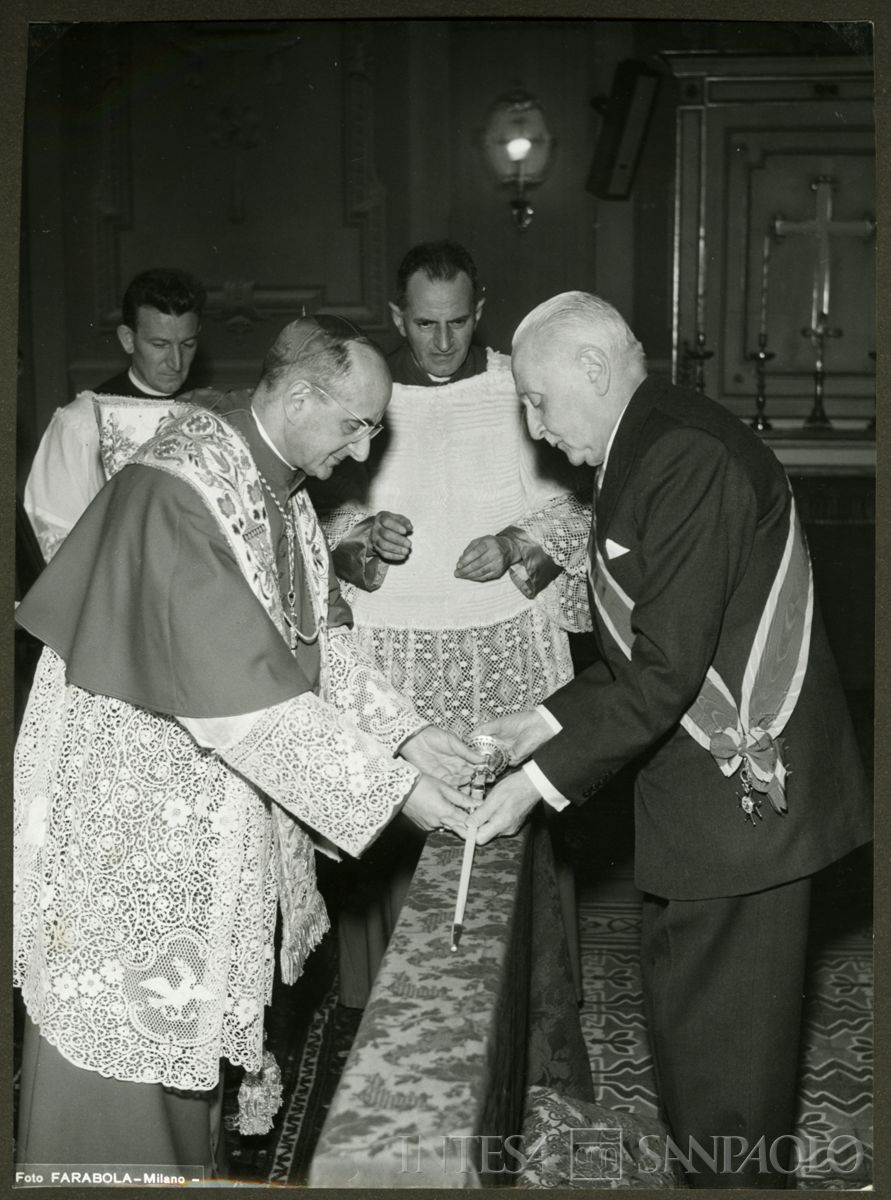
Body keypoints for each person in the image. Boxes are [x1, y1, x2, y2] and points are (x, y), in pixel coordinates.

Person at [13, 315, 481, 1175]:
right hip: (132, 826)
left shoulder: (278, 486)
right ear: (301, 395)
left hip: (199, 810)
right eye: (357, 423)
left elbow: (316, 646)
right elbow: (245, 708)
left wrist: (409, 735)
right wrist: (392, 789)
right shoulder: (179, 487)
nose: (366, 449)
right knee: (121, 1045)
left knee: (183, 1049)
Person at [470, 292, 873, 1188]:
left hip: (742, 810)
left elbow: (663, 672)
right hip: (701, 812)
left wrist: (534, 783)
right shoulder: (646, 445)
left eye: (536, 400)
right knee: (695, 1047)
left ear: (590, 367)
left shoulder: (679, 455)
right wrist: (536, 721)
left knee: (726, 1078)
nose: (534, 430)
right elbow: (642, 653)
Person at [311, 242, 592, 1007]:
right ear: (397, 315)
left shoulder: (515, 387)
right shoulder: (366, 393)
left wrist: (515, 543)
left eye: (458, 321)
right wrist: (365, 539)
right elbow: (321, 521)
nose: (441, 341)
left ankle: (524, 1011)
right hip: (392, 655)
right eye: (425, 323)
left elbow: (575, 507)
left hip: (506, 646)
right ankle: (397, 1009)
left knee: (509, 820)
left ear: (481, 308)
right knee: (403, 820)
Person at [23, 267, 206, 561]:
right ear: (128, 339)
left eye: (187, 344)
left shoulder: (210, 414)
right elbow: (52, 535)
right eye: (159, 344)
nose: (175, 361)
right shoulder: (83, 424)